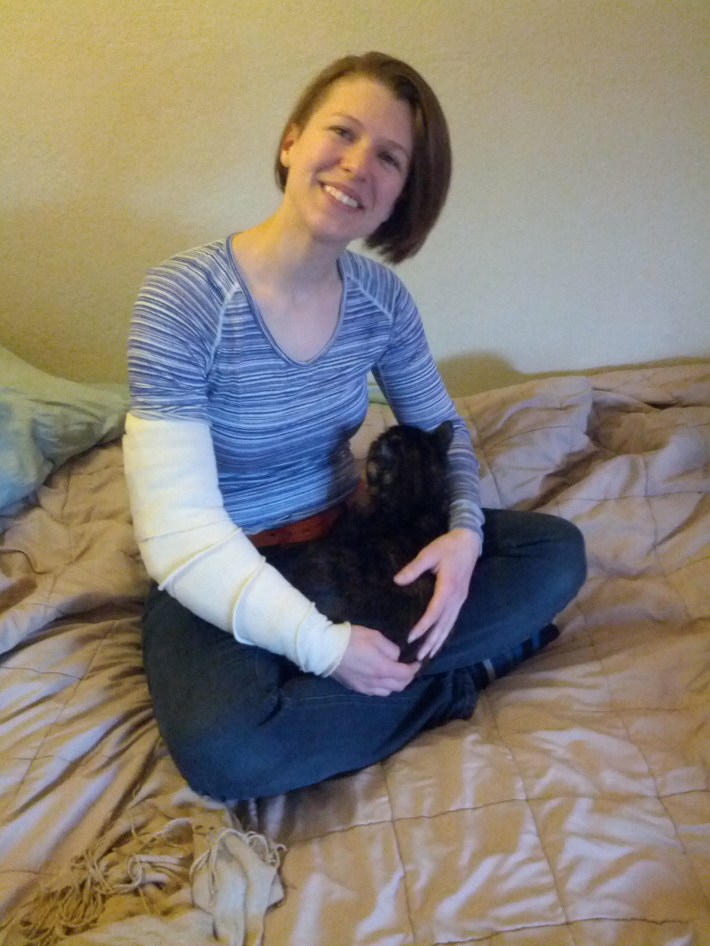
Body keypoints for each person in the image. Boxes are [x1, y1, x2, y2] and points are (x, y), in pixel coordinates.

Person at [124, 51, 586, 801]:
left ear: (402, 193)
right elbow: (178, 532)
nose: (357, 165)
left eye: (390, 158)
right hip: (219, 565)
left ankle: (337, 690)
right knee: (224, 754)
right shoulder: (184, 300)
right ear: (292, 141)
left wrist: (465, 536)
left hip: (352, 547)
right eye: (341, 132)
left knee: (555, 556)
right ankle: (452, 681)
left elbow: (443, 429)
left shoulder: (382, 299)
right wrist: (325, 647)